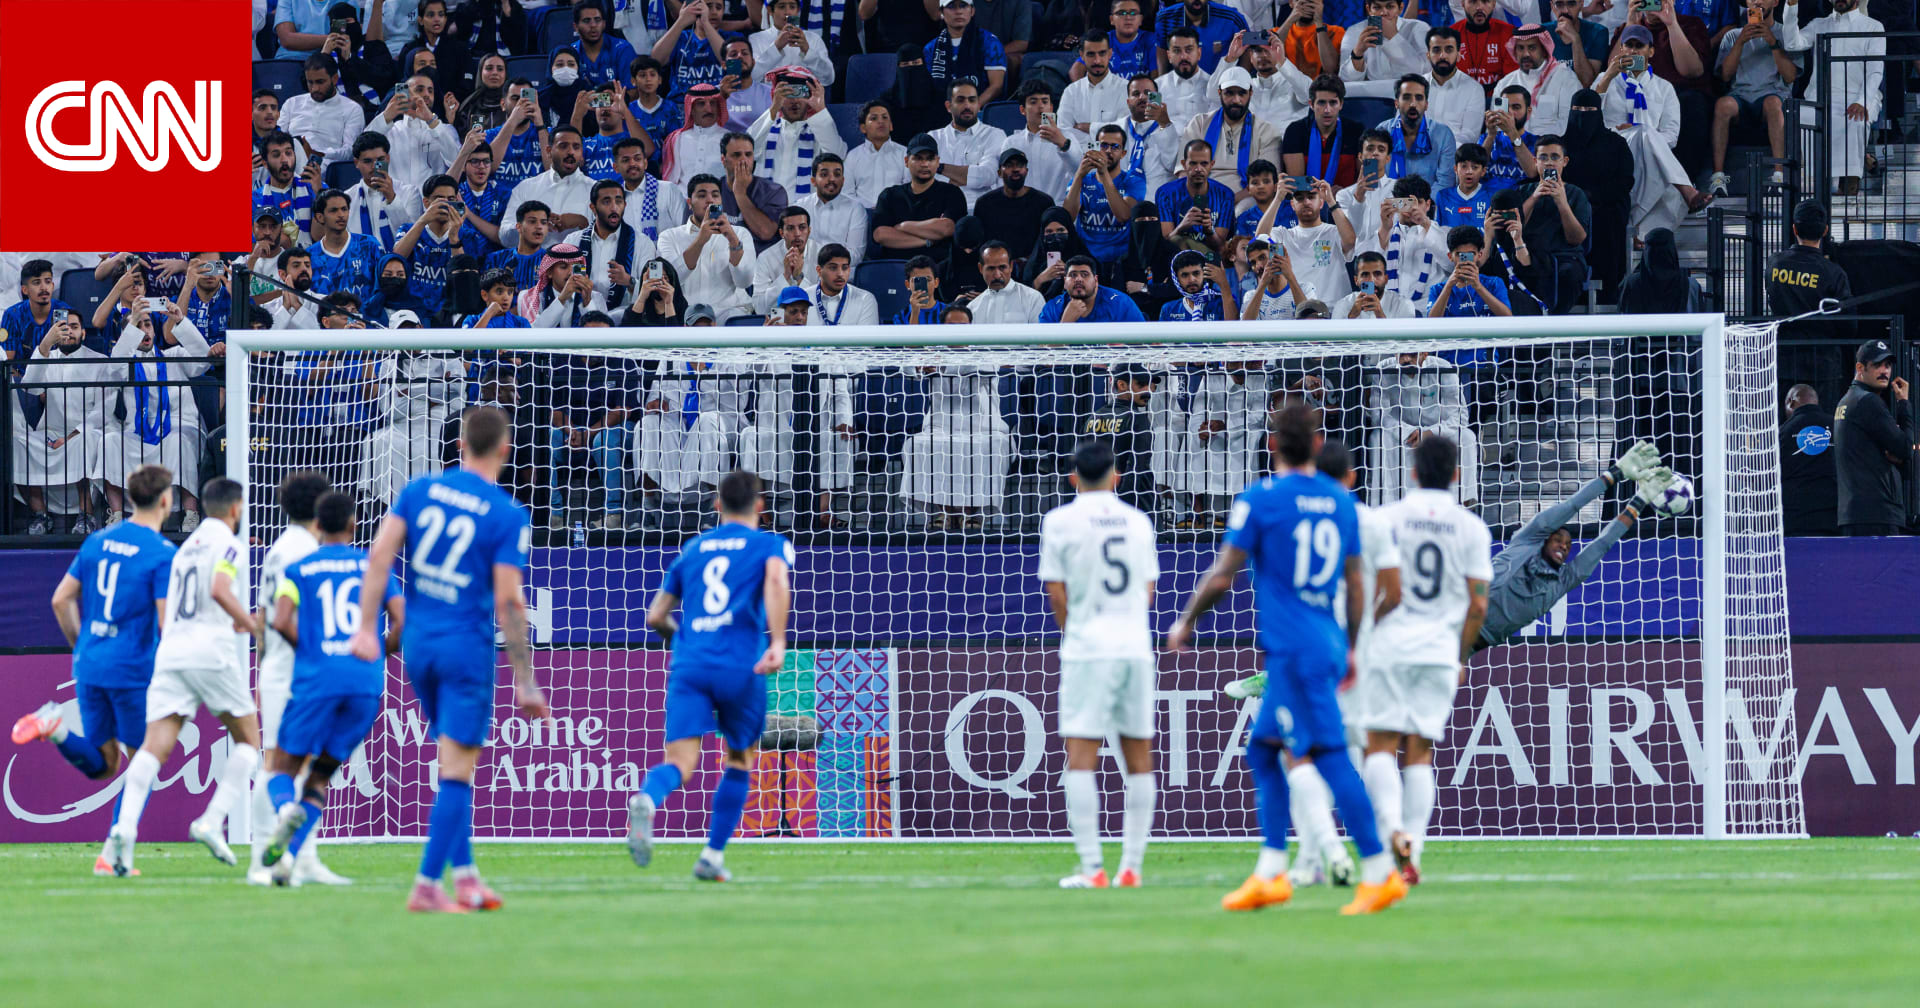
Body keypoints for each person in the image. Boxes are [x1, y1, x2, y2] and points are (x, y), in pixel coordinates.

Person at [1166, 405, 1405, 916]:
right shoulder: (1342, 502)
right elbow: (1357, 582)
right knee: (1264, 748)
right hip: (1325, 640)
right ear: (1317, 447)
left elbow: (1222, 577)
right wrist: (1356, 645)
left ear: (1272, 446)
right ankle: (1272, 870)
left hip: (1294, 649)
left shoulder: (1259, 501)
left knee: (1331, 755)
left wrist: (1186, 621)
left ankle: (1380, 871)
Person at [349, 406, 546, 912]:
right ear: (505, 450)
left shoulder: (419, 491)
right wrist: (525, 679)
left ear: (459, 445)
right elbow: (509, 600)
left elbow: (379, 555)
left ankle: (466, 878)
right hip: (465, 650)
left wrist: (366, 627)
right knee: (458, 770)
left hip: (418, 645)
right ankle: (426, 885)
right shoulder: (505, 513)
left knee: (448, 761)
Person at [629, 470, 792, 881]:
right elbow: (775, 580)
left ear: (717, 505)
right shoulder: (768, 544)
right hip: (740, 664)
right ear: (760, 506)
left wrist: (682, 640)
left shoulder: (694, 548)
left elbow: (655, 616)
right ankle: (712, 857)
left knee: (680, 763)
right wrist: (777, 641)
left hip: (692, 664)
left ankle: (648, 798)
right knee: (739, 758)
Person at [12, 465, 174, 877]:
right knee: (144, 760)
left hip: (90, 663)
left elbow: (60, 599)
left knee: (105, 764)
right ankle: (114, 851)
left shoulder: (98, 541)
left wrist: (81, 645)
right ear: (166, 501)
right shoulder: (160, 554)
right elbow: (165, 622)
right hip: (131, 669)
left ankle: (56, 726)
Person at [104, 478, 264, 877]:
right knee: (249, 741)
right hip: (210, 650)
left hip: (173, 652)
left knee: (154, 747)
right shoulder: (229, 544)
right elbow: (220, 589)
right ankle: (212, 819)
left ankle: (124, 831)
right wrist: (250, 624)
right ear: (234, 509)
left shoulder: (183, 550)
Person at [1356, 434, 1488, 884]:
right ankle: (1414, 851)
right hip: (1438, 652)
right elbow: (1479, 606)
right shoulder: (1472, 528)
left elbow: (1366, 584)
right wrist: (1458, 654)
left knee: (1378, 745)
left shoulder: (1384, 519)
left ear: (1412, 472)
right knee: (1420, 753)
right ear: (1456, 474)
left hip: (1389, 646)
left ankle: (1391, 830)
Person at [258, 489, 403, 884]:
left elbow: (280, 620)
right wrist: (379, 653)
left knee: (281, 770)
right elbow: (403, 622)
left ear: (318, 526)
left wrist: (312, 651)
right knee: (320, 778)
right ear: (354, 524)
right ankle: (289, 861)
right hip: (363, 685)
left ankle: (286, 812)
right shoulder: (374, 566)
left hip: (316, 679)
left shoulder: (299, 570)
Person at [1042, 440, 1160, 889]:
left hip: (1088, 648)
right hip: (1133, 645)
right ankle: (1132, 867)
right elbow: (1147, 590)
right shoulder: (1138, 522)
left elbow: (1056, 593)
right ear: (1117, 476)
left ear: (1072, 477)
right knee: (1139, 757)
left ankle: (1093, 869)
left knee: (1080, 757)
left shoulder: (1059, 521)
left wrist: (1077, 631)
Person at [246, 471, 351, 887]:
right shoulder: (305, 551)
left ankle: (301, 858)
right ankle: (262, 860)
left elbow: (263, 617)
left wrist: (261, 667)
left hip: (278, 667)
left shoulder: (279, 548)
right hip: (298, 669)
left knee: (292, 765)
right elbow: (293, 617)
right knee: (280, 766)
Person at [1475, 442, 1678, 649]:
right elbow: (1572, 505)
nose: (1564, 546)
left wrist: (1641, 499)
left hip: (1472, 643)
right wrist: (1616, 473)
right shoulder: (1526, 541)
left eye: (1568, 546)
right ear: (1545, 539)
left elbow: (1603, 543)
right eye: (1558, 540)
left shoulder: (1563, 581)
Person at [1596, 27, 1712, 238]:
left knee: (1673, 200)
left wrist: (1645, 137)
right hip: (1613, 151)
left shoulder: (1664, 87)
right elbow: (1588, 114)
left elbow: (1671, 136)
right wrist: (1608, 76)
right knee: (1644, 132)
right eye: (1628, 46)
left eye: (1639, 46)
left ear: (1651, 51)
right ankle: (1688, 190)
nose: (1633, 51)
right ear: (1620, 49)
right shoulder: (1605, 80)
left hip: (1652, 157)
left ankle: (1641, 235)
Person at [1778, 0, 1885, 196]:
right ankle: (1819, 188)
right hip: (1821, 97)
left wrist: (1861, 101)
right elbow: (1793, 43)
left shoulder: (1873, 27)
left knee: (1856, 122)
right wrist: (1791, 7)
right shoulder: (1819, 24)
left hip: (1859, 96)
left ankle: (1849, 189)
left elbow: (1875, 72)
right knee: (1805, 117)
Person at [1707, 0, 1796, 196]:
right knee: (1723, 105)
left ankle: (1778, 175)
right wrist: (1740, 42)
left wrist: (1773, 43)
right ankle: (1718, 177)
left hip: (1773, 98)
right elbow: (1725, 76)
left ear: (1775, 2)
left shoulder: (1787, 33)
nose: (1756, 1)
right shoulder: (1733, 35)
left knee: (1773, 103)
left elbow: (1790, 77)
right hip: (1740, 97)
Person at [1557, 89, 1633, 300]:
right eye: (1577, 110)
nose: (1583, 115)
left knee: (1606, 225)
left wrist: (1595, 196)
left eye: (1589, 110)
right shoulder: (1561, 146)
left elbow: (1625, 180)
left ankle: (1608, 294)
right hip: (1569, 207)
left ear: (1599, 113)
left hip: (1607, 208)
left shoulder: (1616, 144)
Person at [1832, 341, 1914, 536]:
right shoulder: (1868, 401)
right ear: (1860, 368)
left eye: (1887, 365)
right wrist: (1903, 404)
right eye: (1877, 365)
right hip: (1877, 513)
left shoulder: (1846, 401)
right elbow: (1904, 448)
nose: (1885, 371)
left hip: (1855, 513)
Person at [659, 175, 755, 321]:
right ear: (689, 203)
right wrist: (700, 240)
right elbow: (673, 280)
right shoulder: (669, 237)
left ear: (721, 201)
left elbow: (744, 282)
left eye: (715, 195)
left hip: (728, 314)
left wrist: (733, 241)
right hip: (687, 316)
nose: (710, 200)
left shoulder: (740, 234)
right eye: (702, 195)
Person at [1514, 136, 1592, 312]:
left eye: (1555, 157)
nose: (1549, 163)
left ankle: (1555, 326)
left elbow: (1576, 239)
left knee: (1567, 274)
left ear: (1564, 161)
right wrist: (1534, 198)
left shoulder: (1576, 194)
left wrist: (1562, 203)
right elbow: (1513, 229)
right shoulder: (1523, 191)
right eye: (1543, 157)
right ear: (1535, 161)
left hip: (1566, 257)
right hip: (1529, 255)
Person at [1182, 67, 1283, 195]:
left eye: (1241, 93)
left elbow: (1267, 183)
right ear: (1219, 93)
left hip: (1246, 198)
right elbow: (1183, 172)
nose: (1236, 100)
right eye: (1229, 93)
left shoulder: (1266, 131)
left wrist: (1226, 204)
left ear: (1251, 93)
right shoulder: (1199, 123)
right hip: (1201, 194)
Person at [871, 134, 970, 264]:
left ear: (937, 161)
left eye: (930, 159)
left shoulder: (951, 193)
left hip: (937, 268)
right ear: (906, 161)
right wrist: (927, 241)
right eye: (918, 158)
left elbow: (946, 228)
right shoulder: (889, 195)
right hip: (896, 267)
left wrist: (902, 226)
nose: (925, 164)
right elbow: (880, 235)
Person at [1259, 176, 1357, 304]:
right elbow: (1259, 240)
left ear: (1321, 203)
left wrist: (1331, 201)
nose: (1306, 202)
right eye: (1300, 198)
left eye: (1311, 197)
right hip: (1298, 312)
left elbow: (1350, 241)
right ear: (1292, 205)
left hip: (1334, 311)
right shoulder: (1283, 235)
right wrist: (1278, 198)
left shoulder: (1334, 231)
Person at [279, 55, 370, 169]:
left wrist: (317, 153)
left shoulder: (352, 109)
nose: (315, 88)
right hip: (288, 162)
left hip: (325, 166)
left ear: (335, 79)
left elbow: (350, 152)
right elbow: (276, 139)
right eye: (310, 82)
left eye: (320, 82)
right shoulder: (292, 103)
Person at [931, 80, 1010, 212]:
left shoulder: (995, 135)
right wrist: (969, 175)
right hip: (941, 211)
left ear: (979, 105)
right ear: (948, 106)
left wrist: (939, 167)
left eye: (972, 100)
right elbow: (924, 178)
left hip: (981, 211)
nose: (967, 105)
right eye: (960, 100)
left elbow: (987, 176)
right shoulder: (933, 138)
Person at [1495, 24, 1578, 138]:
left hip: (1550, 148)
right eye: (1520, 48)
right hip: (1511, 147)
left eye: (1532, 48)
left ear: (1544, 50)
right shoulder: (1504, 84)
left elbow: (1568, 124)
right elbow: (1498, 125)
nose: (1526, 54)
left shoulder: (1565, 78)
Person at [974, 150, 1055, 262]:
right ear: (999, 173)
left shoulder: (1044, 202)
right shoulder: (984, 203)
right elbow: (981, 244)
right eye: (1009, 165)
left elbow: (1050, 242)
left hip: (1034, 265)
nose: (1015, 169)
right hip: (997, 266)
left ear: (1026, 171)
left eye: (1020, 165)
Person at [1781, 384, 1839, 536]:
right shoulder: (1838, 427)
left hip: (1793, 519)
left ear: (1791, 402)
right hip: (1832, 517)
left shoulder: (1781, 432)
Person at [1423, 26, 1486, 144]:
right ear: (1428, 55)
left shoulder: (1473, 89)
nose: (1443, 56)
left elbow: (1469, 136)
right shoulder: (1416, 86)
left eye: (1449, 50)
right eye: (1436, 50)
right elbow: (1402, 126)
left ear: (1458, 55)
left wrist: (1438, 151)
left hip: (1455, 158)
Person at [1342, 0, 1432, 81]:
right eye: (1377, 7)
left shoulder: (1419, 28)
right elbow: (1346, 81)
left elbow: (1424, 72)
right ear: (1368, 9)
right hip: (1372, 95)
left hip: (1410, 94)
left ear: (1400, 8)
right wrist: (1357, 54)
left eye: (1390, 7)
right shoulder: (1354, 31)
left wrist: (1393, 36)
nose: (1383, 13)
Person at [1040, 256, 1149, 323]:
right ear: (1064, 282)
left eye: (1084, 274)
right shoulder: (1053, 308)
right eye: (1073, 275)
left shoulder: (1120, 303)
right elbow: (1044, 356)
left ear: (1096, 280)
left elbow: (1142, 345)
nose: (1078, 279)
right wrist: (1065, 324)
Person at [750, 0, 837, 84]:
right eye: (782, 7)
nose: (788, 12)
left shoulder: (813, 39)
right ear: (770, 10)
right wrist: (776, 47)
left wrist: (807, 51)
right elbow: (751, 77)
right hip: (769, 97)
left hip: (806, 97)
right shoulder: (757, 39)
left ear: (798, 10)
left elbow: (828, 79)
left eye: (792, 7)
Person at [1061, 32, 1131, 135]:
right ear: (1082, 55)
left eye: (1102, 53)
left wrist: (1089, 128)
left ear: (1110, 54)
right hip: (1078, 151)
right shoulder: (1071, 92)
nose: (1097, 61)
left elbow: (1125, 130)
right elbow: (1064, 134)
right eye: (1091, 54)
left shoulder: (1126, 89)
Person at [845, 101, 910, 211]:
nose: (881, 121)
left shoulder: (905, 153)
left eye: (885, 118)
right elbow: (846, 193)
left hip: (896, 214)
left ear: (891, 126)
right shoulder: (853, 156)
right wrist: (868, 208)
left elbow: (910, 188)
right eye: (874, 118)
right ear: (863, 128)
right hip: (862, 214)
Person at [1156, 0, 1251, 74]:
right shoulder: (1164, 18)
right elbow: (1161, 56)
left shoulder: (1233, 17)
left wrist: (1240, 82)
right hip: (1181, 87)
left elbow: (1249, 47)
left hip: (1221, 88)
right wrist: (1162, 87)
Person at [968, 241, 1049, 324]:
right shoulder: (973, 308)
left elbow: (1041, 336)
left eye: (1002, 267)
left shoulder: (1033, 298)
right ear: (981, 268)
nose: (997, 275)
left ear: (1011, 266)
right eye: (991, 268)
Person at [1157, 28, 1219, 126]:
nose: (1184, 57)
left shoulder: (1212, 86)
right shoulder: (1156, 87)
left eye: (1189, 50)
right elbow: (1150, 124)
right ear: (1169, 56)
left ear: (1199, 53)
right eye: (1177, 51)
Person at [1240, 236, 1309, 318]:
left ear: (1277, 256)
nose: (1258, 266)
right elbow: (1246, 327)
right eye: (1253, 263)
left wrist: (1290, 275)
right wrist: (1262, 284)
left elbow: (1308, 319)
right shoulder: (1250, 296)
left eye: (1262, 257)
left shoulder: (1306, 288)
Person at [1454, 0, 1518, 87]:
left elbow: (1511, 82)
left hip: (1499, 97)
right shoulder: (1450, 35)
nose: (1479, 7)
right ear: (1462, 4)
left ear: (1494, 4)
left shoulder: (1509, 34)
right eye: (1472, 2)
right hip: (1460, 97)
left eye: (1485, 1)